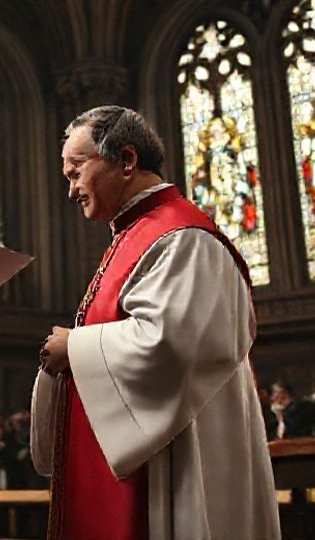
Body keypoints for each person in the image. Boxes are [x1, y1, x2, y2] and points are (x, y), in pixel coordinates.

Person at [30, 106, 279, 539]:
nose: (70, 190)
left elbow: (175, 347)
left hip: (184, 457)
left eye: (76, 172)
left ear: (126, 160)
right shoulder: (137, 235)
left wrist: (76, 348)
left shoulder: (184, 238)